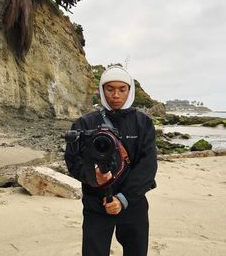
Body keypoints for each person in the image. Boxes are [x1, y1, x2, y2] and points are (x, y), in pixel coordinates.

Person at [64, 65, 157, 256]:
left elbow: (148, 166)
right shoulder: (84, 123)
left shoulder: (143, 123)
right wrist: (93, 176)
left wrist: (123, 199)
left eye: (122, 89)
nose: (116, 95)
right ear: (101, 90)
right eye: (110, 89)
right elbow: (73, 160)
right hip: (96, 203)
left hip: (133, 202)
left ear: (129, 91)